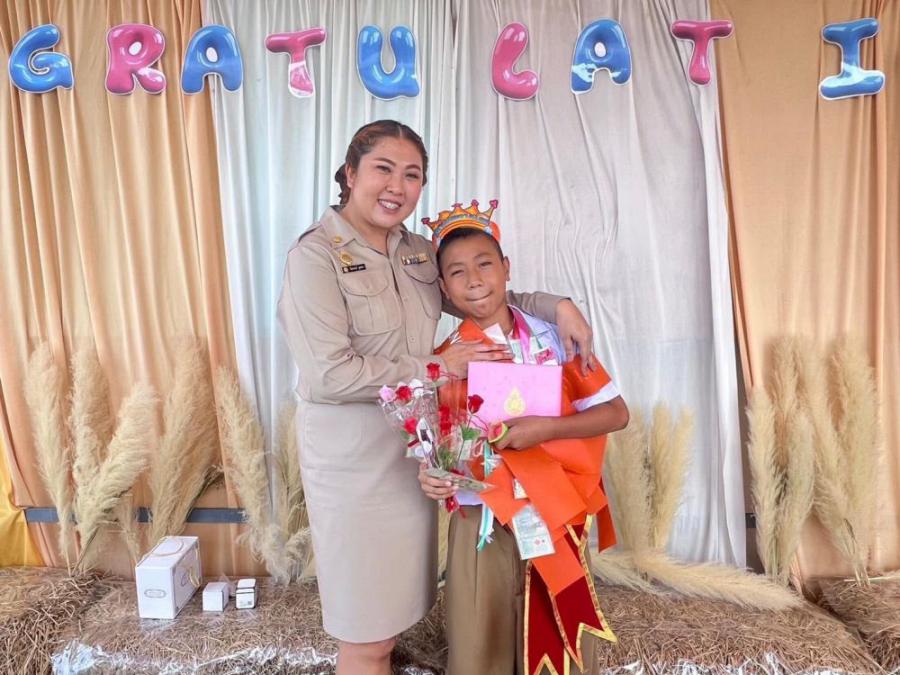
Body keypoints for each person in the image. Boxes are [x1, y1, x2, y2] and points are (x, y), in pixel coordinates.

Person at [277, 120, 596, 675]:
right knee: (366, 634)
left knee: (398, 617)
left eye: (412, 175)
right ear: (350, 173)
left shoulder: (418, 253)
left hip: (416, 460)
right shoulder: (316, 256)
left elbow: (484, 294)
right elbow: (329, 374)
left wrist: (559, 305)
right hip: (354, 468)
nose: (396, 186)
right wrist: (439, 366)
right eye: (383, 169)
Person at [418, 201, 629, 675]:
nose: (474, 280)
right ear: (444, 288)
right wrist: (430, 475)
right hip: (483, 519)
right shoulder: (446, 358)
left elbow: (616, 413)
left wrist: (546, 428)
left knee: (560, 642)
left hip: (556, 510)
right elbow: (435, 450)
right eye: (457, 272)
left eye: (484, 264)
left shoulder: (555, 337)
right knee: (480, 644)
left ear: (506, 268)